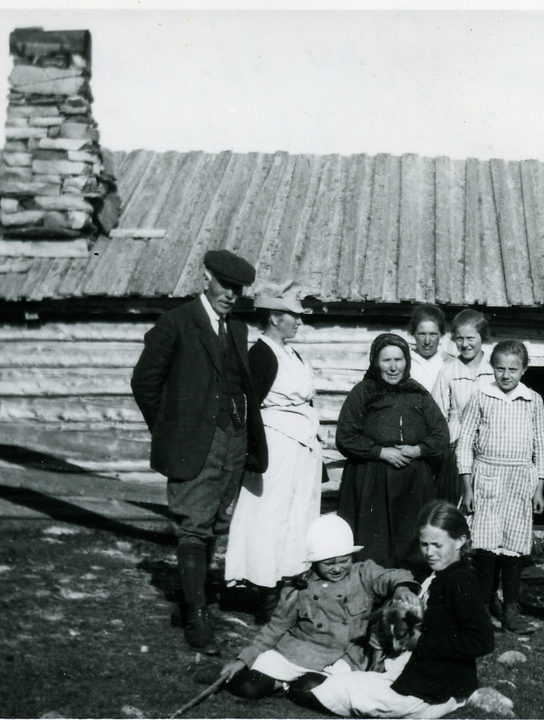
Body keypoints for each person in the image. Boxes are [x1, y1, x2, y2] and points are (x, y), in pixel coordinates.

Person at [130, 249, 268, 654]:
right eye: (225, 285)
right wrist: (172, 430)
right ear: (205, 278)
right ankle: (196, 618)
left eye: (238, 289)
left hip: (233, 443)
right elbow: (144, 383)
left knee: (211, 525)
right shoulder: (176, 323)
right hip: (194, 445)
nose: (231, 294)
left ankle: (193, 601)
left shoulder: (237, 330)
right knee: (193, 526)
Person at [300, 501, 495, 719]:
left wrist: (419, 641)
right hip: (417, 671)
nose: (429, 552)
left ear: (460, 541)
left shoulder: (461, 582)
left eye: (437, 545)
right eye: (424, 544)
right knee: (321, 686)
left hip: (439, 686)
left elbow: (482, 641)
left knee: (316, 690)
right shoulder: (436, 575)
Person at [205, 514, 420, 700]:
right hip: (299, 652)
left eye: (343, 560)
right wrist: (243, 660)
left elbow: (394, 576)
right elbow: (275, 628)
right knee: (249, 687)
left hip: (344, 657)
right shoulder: (300, 585)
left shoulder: (363, 573)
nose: (337, 568)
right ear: (315, 562)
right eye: (328, 563)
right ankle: (229, 675)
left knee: (310, 689)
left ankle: (287, 685)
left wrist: (402, 589)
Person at [224, 283, 323, 624]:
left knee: (297, 514)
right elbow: (248, 406)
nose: (299, 323)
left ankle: (287, 587)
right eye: (293, 317)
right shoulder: (261, 354)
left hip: (300, 444)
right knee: (270, 516)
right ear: (274, 318)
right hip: (276, 445)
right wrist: (252, 453)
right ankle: (265, 594)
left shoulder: (291, 353)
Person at [457, 340, 544, 634]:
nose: (506, 375)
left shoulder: (533, 400)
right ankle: (483, 609)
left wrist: (539, 487)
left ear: (524, 369)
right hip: (486, 477)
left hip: (520, 480)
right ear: (492, 368)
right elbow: (465, 443)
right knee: (485, 547)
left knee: (513, 547)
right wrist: (467, 487)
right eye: (500, 368)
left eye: (513, 369)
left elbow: (542, 446)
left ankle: (509, 610)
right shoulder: (481, 396)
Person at [336, 333, 450, 571]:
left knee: (411, 542)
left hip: (413, 482)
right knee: (374, 543)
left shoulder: (418, 393)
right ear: (375, 362)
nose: (393, 367)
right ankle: (374, 591)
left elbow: (441, 435)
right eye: (386, 360)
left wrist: (418, 449)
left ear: (407, 361)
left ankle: (410, 593)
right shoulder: (363, 392)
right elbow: (345, 437)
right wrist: (380, 452)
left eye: (398, 360)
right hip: (372, 480)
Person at [431, 309, 494, 507]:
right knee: (456, 506)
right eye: (459, 339)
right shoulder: (447, 373)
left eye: (470, 338)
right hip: (455, 448)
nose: (464, 344)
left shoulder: (495, 369)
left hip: (491, 447)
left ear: (482, 336)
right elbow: (437, 416)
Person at [407, 304, 448, 393]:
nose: (427, 341)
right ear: (413, 334)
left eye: (433, 334)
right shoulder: (405, 361)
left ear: (441, 334)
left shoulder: (449, 363)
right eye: (422, 334)